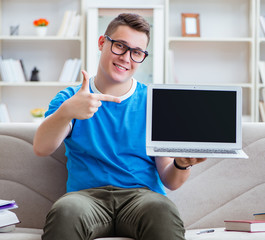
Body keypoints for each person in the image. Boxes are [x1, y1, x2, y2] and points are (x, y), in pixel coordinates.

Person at [33, 13, 206, 240]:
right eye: (120, 46)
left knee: (163, 210)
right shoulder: (71, 99)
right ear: (102, 42)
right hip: (86, 199)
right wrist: (67, 111)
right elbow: (41, 148)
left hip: (142, 198)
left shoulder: (155, 102)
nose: (126, 57)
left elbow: (170, 180)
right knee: (66, 211)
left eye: (136, 52)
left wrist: (182, 164)